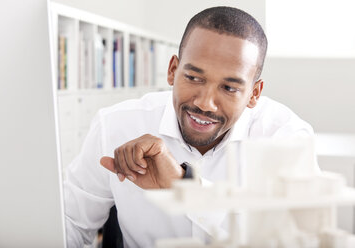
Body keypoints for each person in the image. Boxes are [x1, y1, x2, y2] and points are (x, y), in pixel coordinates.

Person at [64, 6, 315, 248]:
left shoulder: (285, 138)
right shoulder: (116, 125)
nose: (205, 103)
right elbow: (70, 222)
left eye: (229, 88)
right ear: (173, 70)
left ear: (254, 93)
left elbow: (296, 238)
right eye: (193, 78)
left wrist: (184, 187)